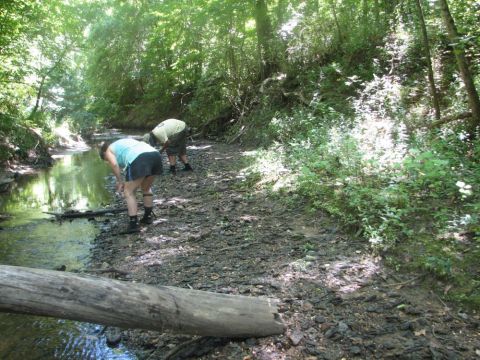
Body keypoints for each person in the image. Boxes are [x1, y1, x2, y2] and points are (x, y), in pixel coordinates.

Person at [99, 138, 162, 233]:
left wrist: (120, 181)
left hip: (139, 157)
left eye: (106, 160)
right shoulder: (121, 143)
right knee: (146, 188)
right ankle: (147, 217)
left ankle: (134, 224)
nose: (108, 161)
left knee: (128, 192)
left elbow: (115, 164)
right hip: (155, 155)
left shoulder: (107, 150)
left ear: (104, 154)